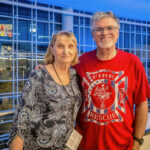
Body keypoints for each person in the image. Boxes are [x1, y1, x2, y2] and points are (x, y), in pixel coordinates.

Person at [74, 11, 150, 150]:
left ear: (117, 32)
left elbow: (141, 104)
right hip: (86, 145)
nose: (105, 33)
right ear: (93, 34)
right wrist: (45, 70)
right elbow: (60, 77)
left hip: (122, 145)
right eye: (99, 29)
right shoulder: (80, 62)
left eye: (110, 28)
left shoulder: (133, 62)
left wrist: (138, 140)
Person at [8, 31, 82, 150]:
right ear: (52, 49)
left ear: (75, 50)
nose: (66, 51)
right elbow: (20, 119)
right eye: (60, 46)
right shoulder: (39, 76)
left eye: (70, 46)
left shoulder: (74, 75)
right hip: (37, 145)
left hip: (66, 146)